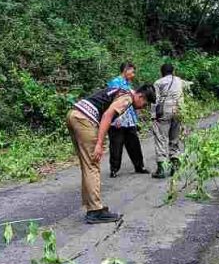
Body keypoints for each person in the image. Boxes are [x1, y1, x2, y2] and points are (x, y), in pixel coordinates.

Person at [67, 83, 157, 224]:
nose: (142, 107)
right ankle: (95, 211)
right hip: (85, 119)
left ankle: (92, 206)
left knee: (87, 165)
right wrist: (99, 144)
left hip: (74, 114)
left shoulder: (122, 91)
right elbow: (107, 116)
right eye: (144, 103)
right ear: (140, 96)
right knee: (92, 165)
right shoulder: (128, 98)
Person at [106, 62, 149, 178]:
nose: (133, 74)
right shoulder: (115, 83)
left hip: (130, 120)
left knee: (134, 144)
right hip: (117, 121)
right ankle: (114, 169)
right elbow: (113, 102)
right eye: (132, 71)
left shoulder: (129, 85)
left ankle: (139, 166)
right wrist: (117, 118)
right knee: (116, 145)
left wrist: (136, 119)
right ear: (126, 70)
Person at [151, 63, 188, 178]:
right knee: (175, 138)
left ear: (162, 72)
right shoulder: (180, 81)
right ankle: (175, 166)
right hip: (179, 111)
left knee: (161, 137)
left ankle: (161, 169)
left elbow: (155, 100)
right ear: (173, 71)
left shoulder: (158, 82)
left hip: (164, 111)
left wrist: (153, 115)